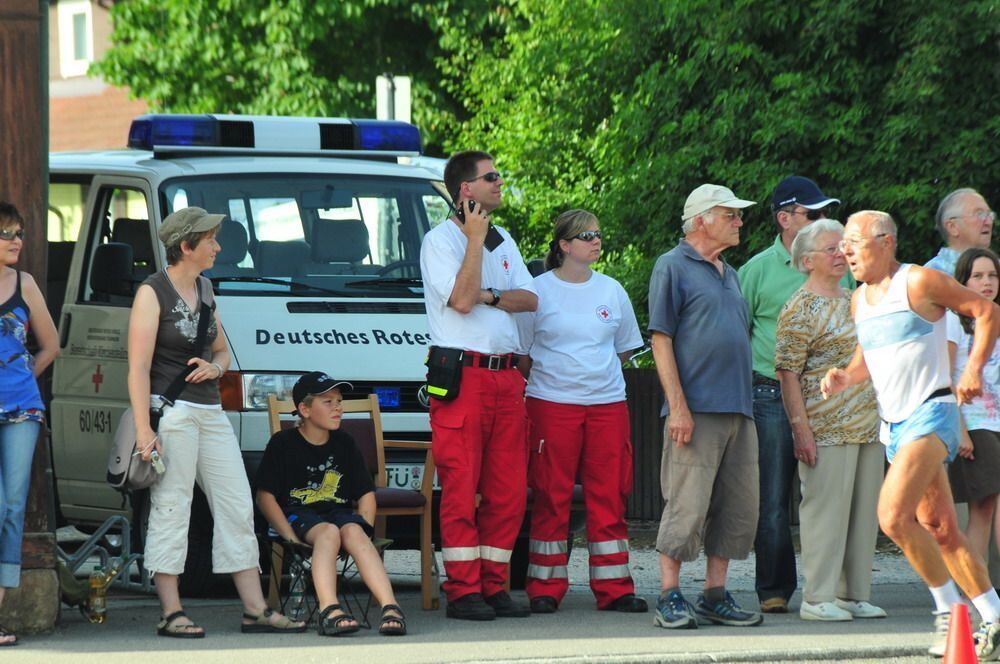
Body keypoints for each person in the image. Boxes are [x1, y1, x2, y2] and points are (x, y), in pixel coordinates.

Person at [821, 211, 1000, 658]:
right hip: (894, 426)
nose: (845, 251)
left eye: (853, 242)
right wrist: (844, 376)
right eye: (843, 243)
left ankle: (946, 609)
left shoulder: (919, 282)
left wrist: (973, 368)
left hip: (933, 412)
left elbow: (986, 310)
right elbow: (867, 360)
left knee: (892, 515)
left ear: (885, 242)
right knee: (941, 528)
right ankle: (994, 618)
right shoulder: (858, 300)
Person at [127, 207, 305, 637]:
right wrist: (144, 430)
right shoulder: (152, 292)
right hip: (172, 415)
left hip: (210, 412)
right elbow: (136, 368)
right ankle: (171, 611)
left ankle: (255, 609)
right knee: (172, 507)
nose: (218, 247)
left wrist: (217, 368)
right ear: (186, 246)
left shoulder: (206, 288)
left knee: (237, 505)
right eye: (210, 239)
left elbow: (222, 351)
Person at [419, 151, 538, 621]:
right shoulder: (440, 241)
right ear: (466, 189)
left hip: (506, 377)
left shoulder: (504, 240)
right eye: (491, 177)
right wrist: (474, 241)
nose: (500, 182)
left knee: (507, 490)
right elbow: (463, 300)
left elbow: (529, 299)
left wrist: (492, 294)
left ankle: (494, 585)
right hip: (463, 376)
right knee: (463, 485)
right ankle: (463, 590)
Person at [515, 209, 645, 614]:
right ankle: (544, 587)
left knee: (610, 493)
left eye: (598, 234)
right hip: (551, 403)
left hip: (607, 405)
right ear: (564, 245)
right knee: (551, 495)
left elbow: (624, 349)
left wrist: (594, 379)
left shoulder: (612, 289)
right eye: (586, 235)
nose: (596, 240)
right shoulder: (537, 290)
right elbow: (521, 354)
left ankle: (615, 588)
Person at [649, 184, 762, 630]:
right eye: (729, 214)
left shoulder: (728, 272)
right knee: (687, 505)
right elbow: (661, 339)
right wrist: (677, 406)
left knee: (738, 507)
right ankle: (668, 595)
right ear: (700, 220)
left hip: (739, 407)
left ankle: (714, 595)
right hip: (695, 411)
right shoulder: (672, 266)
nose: (739, 221)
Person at [738, 175, 848, 613]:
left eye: (825, 212)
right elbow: (737, 334)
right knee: (773, 497)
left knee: (831, 494)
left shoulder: (842, 267)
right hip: (768, 394)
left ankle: (836, 588)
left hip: (828, 396)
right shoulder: (755, 271)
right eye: (813, 213)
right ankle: (774, 589)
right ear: (784, 219)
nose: (823, 219)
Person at [774, 219, 884, 622]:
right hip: (825, 424)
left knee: (862, 510)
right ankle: (818, 597)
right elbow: (787, 372)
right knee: (825, 512)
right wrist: (799, 427)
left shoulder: (856, 298)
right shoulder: (799, 307)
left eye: (844, 247)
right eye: (831, 249)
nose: (842, 253)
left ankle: (853, 593)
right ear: (807, 261)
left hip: (868, 421)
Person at [255, 372, 406, 636]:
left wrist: (363, 529)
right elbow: (265, 496)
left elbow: (365, 493)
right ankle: (329, 608)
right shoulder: (283, 443)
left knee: (352, 531)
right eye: (328, 402)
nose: (338, 407)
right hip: (297, 514)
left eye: (339, 401)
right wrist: (290, 538)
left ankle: (390, 606)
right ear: (304, 409)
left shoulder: (345, 443)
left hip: (337, 512)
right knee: (328, 532)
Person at [0, 203, 59, 647]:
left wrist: (21, 378)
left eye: (18, 232)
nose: (16, 240)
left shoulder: (26, 284)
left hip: (22, 409)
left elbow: (51, 344)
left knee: (12, 507)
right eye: (6, 234)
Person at [946, 248, 1000, 571]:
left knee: (988, 510)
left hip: (998, 423)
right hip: (975, 423)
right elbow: (946, 375)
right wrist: (960, 428)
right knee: (981, 512)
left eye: (992, 275)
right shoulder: (954, 321)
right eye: (978, 276)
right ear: (963, 280)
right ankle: (972, 593)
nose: (987, 282)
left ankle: (976, 593)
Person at [925, 188, 995, 275]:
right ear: (952, 227)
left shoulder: (997, 267)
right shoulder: (933, 274)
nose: (988, 222)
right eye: (979, 214)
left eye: (990, 215)